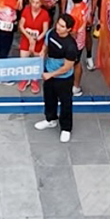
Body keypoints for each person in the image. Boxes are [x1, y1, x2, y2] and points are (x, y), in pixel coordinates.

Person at [34, 12, 80, 142]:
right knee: (49, 98)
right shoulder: (51, 33)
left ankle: (66, 128)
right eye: (58, 24)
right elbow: (46, 46)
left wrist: (50, 74)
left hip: (64, 78)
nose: (58, 28)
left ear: (69, 29)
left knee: (65, 103)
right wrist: (42, 53)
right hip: (49, 72)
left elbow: (67, 67)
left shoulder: (71, 46)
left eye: (62, 26)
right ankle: (51, 119)